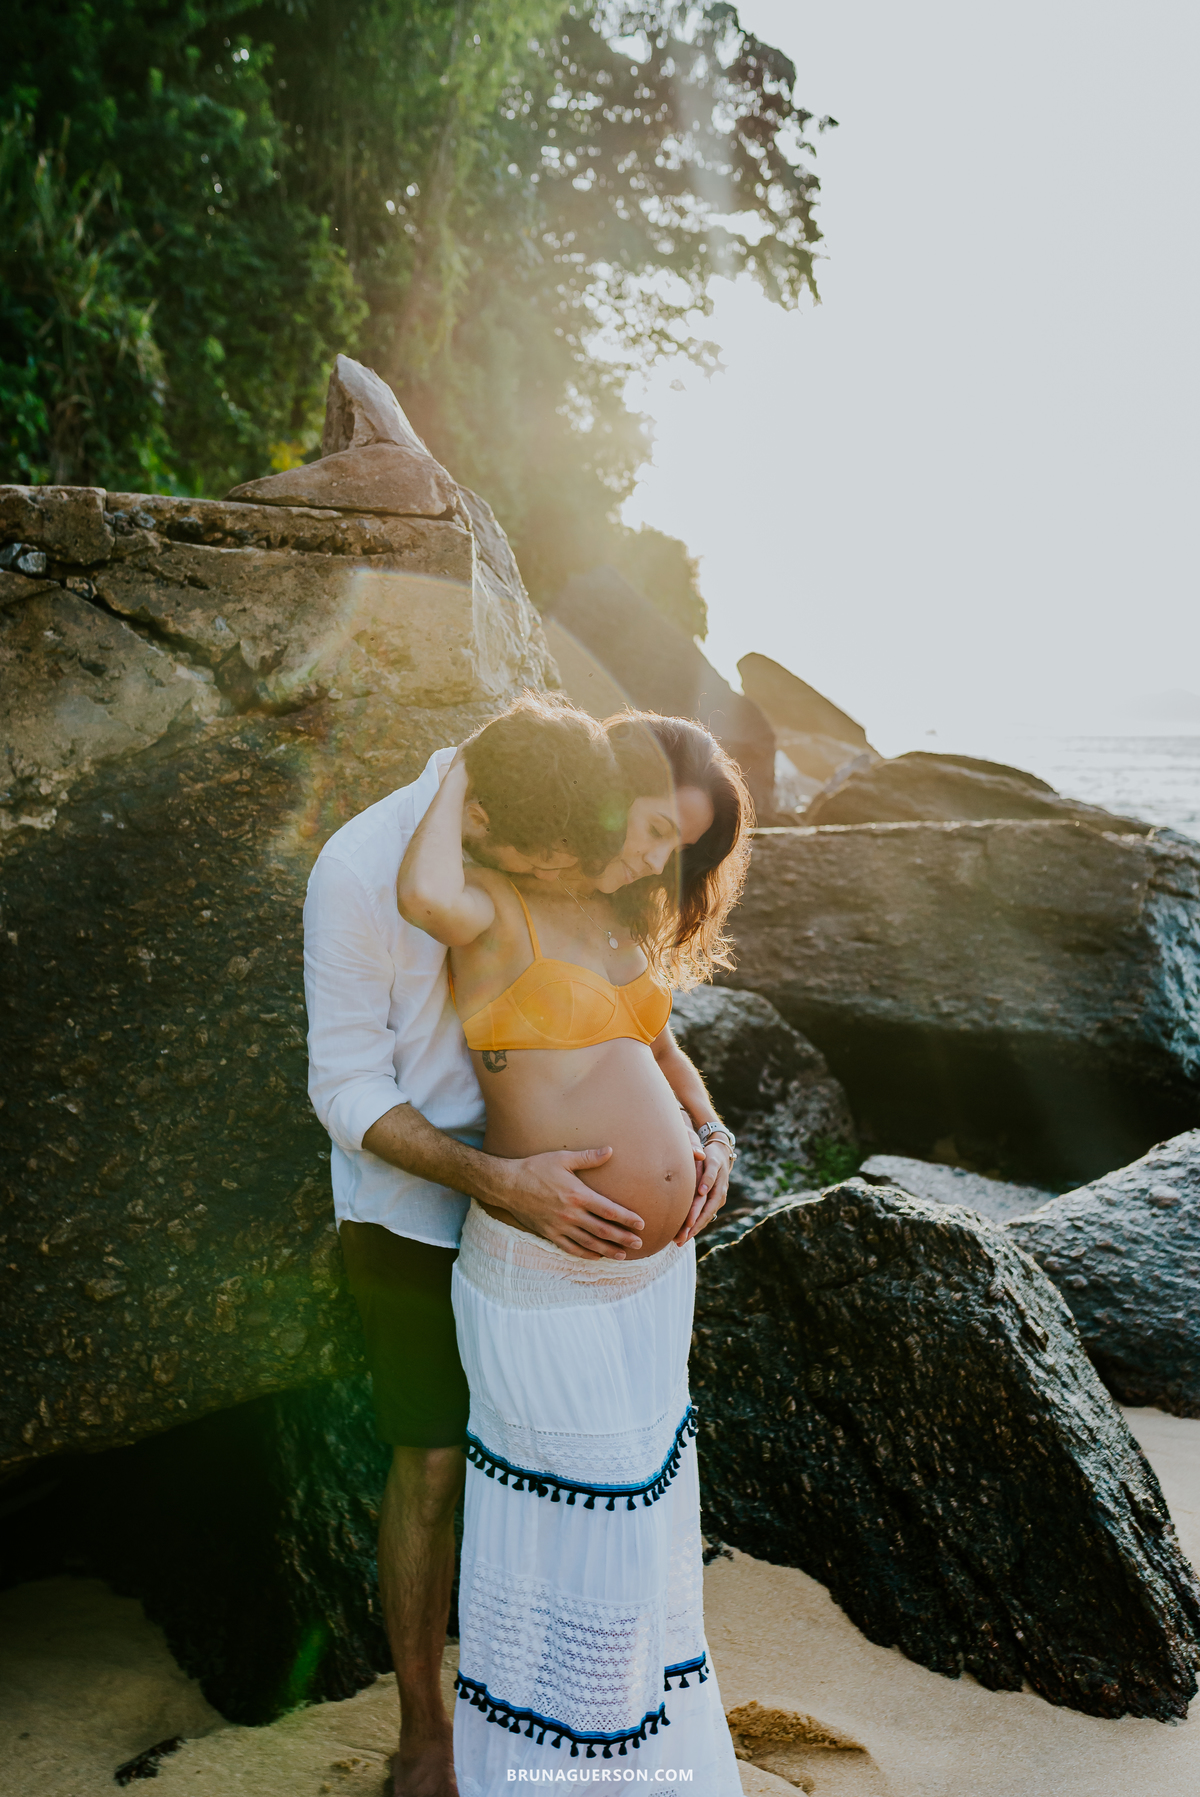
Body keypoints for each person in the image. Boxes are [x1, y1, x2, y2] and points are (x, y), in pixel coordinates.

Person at [303, 693, 734, 1797]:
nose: (644, 862)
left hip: (609, 1256)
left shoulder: (581, 859)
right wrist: (502, 1182)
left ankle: (619, 1730)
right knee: (439, 1466)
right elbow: (346, 1086)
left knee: (610, 1488)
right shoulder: (372, 870)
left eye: (664, 847)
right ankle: (430, 1736)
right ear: (495, 816)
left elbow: (656, 1031)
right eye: (643, 834)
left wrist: (708, 1129)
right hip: (422, 1201)